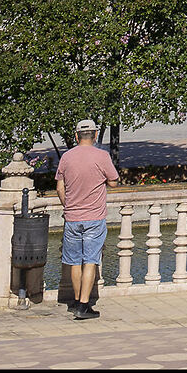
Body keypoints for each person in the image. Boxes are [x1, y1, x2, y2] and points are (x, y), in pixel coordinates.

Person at [56, 119, 119, 320]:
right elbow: (114, 182)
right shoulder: (102, 156)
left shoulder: (66, 157)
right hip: (94, 217)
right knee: (91, 261)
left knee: (74, 262)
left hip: (72, 217)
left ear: (76, 136)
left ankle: (76, 301)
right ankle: (84, 305)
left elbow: (59, 187)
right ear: (95, 135)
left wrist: (69, 206)